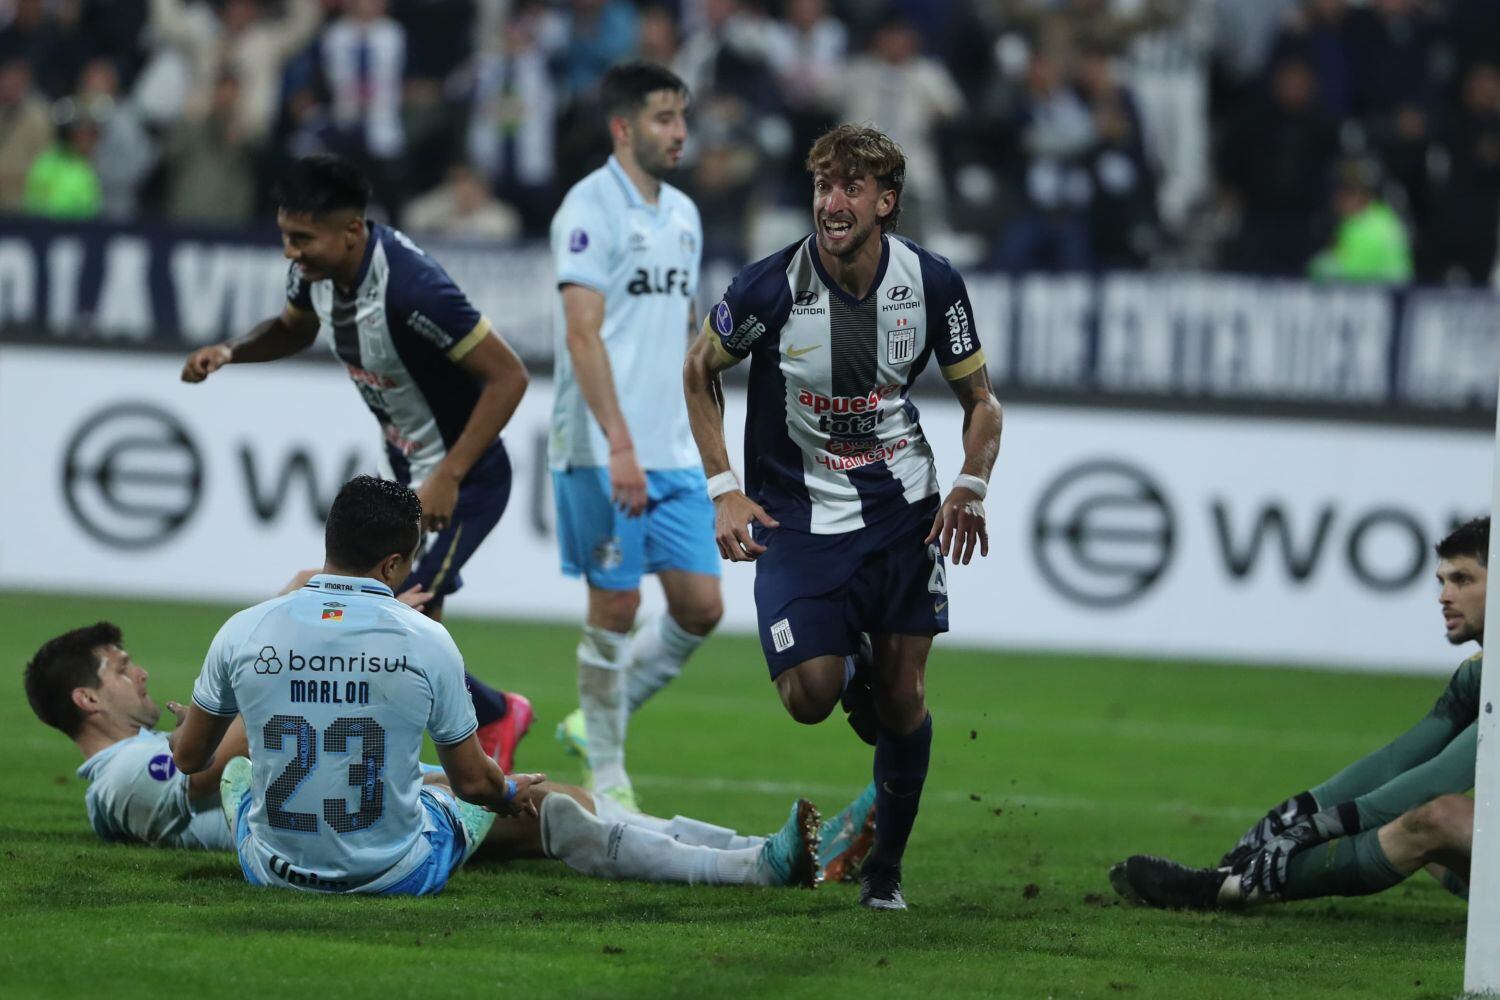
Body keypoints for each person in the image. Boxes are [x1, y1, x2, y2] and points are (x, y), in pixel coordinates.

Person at [166, 476, 869, 894]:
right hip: (394, 871)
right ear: (393, 563)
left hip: (272, 867)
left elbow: (191, 757)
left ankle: (748, 849)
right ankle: (747, 865)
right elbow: (476, 786)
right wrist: (511, 791)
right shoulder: (424, 640)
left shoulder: (245, 629)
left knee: (249, 781)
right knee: (550, 804)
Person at [682, 124, 1004, 910]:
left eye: (851, 187)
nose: (832, 201)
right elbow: (699, 371)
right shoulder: (768, 290)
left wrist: (971, 482)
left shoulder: (931, 284)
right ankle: (848, 656)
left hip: (901, 510)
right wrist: (724, 485)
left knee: (903, 701)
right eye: (824, 185)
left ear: (884, 202)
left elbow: (982, 403)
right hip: (796, 515)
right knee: (810, 697)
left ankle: (884, 872)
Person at [24, 600, 876, 886]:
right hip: (332, 832)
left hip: (334, 801)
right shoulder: (116, 781)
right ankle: (756, 865)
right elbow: (208, 777)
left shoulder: (135, 767)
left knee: (561, 802)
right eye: (120, 667)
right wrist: (253, 684)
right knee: (557, 811)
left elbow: (233, 757)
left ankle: (762, 851)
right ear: (85, 698)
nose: (137, 673)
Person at [180, 154, 533, 771]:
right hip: (407, 475)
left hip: (464, 478)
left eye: (303, 239)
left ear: (351, 231)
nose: (292, 252)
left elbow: (509, 376)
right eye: (286, 237)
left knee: (404, 618)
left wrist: (448, 473)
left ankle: (467, 742)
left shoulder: (414, 289)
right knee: (393, 614)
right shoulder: (318, 275)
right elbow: (293, 328)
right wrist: (230, 350)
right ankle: (491, 717)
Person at [1110, 517, 1488, 911]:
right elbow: (1399, 759)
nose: (1443, 596)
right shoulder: (1480, 671)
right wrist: (1297, 811)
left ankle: (1223, 891)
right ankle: (1232, 877)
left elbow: (1443, 775)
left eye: (1462, 580)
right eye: (1442, 581)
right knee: (1395, 806)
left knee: (1437, 814)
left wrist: (1318, 826)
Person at [548, 62, 723, 810]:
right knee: (614, 608)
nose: (680, 131)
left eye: (682, 116)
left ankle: (595, 719)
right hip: (600, 448)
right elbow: (583, 337)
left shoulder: (684, 214)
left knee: (701, 608)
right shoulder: (588, 210)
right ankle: (610, 775)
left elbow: (687, 334)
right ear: (623, 129)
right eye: (663, 118)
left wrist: (712, 449)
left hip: (674, 451)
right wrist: (619, 443)